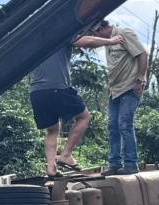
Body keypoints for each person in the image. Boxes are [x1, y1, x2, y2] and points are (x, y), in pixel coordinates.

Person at [30, 35, 125, 177]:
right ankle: (66, 155)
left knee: (52, 130)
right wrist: (111, 41)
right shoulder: (61, 34)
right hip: (57, 88)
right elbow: (87, 41)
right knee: (84, 117)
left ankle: (51, 167)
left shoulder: (35, 40)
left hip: (37, 92)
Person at [91, 18, 148, 175]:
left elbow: (142, 54)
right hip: (115, 90)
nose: (96, 38)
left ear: (100, 29)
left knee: (125, 124)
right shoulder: (108, 42)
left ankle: (131, 164)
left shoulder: (124, 33)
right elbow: (116, 66)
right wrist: (109, 86)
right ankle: (115, 164)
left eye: (95, 34)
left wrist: (140, 79)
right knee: (112, 127)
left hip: (130, 87)